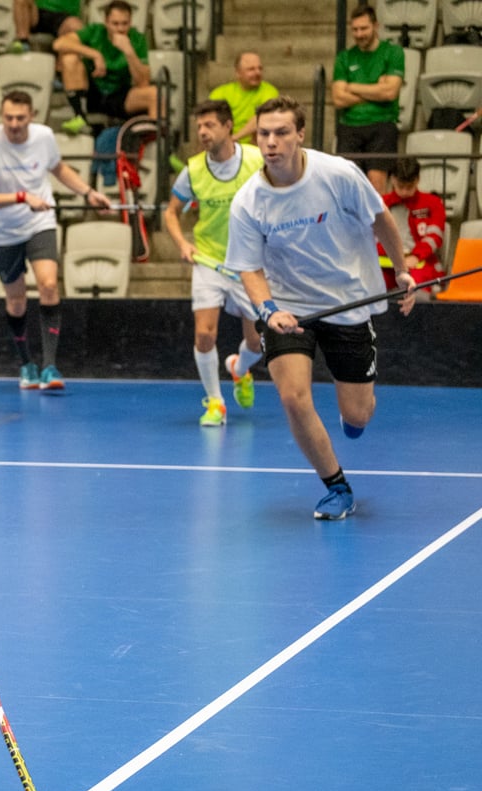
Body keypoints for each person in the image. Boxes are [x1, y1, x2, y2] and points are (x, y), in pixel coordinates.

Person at [226, 96, 417, 521]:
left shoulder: (338, 173)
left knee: (357, 415)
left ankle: (356, 413)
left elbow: (380, 217)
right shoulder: (248, 201)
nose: (271, 142)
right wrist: (269, 309)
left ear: (300, 134)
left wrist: (401, 270)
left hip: (347, 303)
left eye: (281, 133)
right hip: (289, 311)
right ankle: (337, 487)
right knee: (293, 397)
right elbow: (249, 268)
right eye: (263, 134)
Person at [0, 89, 114, 391]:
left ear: (32, 116)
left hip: (39, 223)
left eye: (20, 118)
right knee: (16, 300)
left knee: (48, 285)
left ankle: (50, 367)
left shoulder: (44, 136)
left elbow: (58, 168)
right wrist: (22, 197)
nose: (14, 124)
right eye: (8, 118)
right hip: (1, 231)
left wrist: (88, 192)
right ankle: (27, 365)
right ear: (1, 116)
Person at [164, 98, 267, 427]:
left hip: (250, 263)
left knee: (257, 342)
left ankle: (239, 368)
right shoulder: (193, 170)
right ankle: (215, 402)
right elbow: (170, 212)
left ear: (228, 127)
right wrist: (183, 244)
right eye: (199, 127)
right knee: (204, 335)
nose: (202, 132)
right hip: (209, 260)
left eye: (209, 125)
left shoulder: (256, 159)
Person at [53, 0, 156, 135]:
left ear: (130, 22)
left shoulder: (138, 39)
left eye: (124, 23)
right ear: (106, 22)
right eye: (115, 24)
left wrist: (129, 52)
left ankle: (152, 140)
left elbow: (143, 82)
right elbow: (59, 44)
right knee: (69, 58)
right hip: (93, 91)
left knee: (154, 94)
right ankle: (79, 116)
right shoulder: (96, 31)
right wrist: (95, 54)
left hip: (120, 94)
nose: (120, 29)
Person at [332, 3, 404, 193]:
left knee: (375, 187)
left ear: (376, 26)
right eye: (355, 29)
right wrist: (375, 90)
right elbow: (338, 99)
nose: (359, 34)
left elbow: (390, 92)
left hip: (382, 125)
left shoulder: (393, 52)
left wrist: (352, 87)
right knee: (348, 186)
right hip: (349, 126)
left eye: (364, 28)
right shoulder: (344, 58)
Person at [377, 156, 445, 296]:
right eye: (400, 187)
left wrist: (416, 256)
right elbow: (372, 236)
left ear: (417, 180)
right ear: (393, 180)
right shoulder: (380, 203)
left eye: (409, 187)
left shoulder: (433, 203)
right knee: (371, 286)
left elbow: (434, 237)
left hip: (420, 262)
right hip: (386, 262)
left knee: (417, 291)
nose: (404, 192)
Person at [209, 51, 279, 146]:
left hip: (256, 145)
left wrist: (234, 138)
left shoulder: (269, 91)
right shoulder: (220, 93)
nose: (257, 72)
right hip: (224, 145)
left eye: (260, 68)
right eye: (251, 69)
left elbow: (262, 117)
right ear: (238, 73)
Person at [12, 0, 83, 54]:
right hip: (38, 13)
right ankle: (23, 43)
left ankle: (63, 65)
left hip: (63, 16)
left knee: (76, 26)